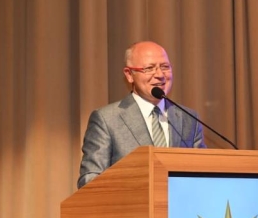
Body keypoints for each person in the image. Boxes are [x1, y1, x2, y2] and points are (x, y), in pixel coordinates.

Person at [77, 41, 206, 188]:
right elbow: (90, 179)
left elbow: (203, 173)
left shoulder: (189, 118)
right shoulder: (107, 119)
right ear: (129, 75)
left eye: (165, 67)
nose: (160, 75)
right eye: (149, 68)